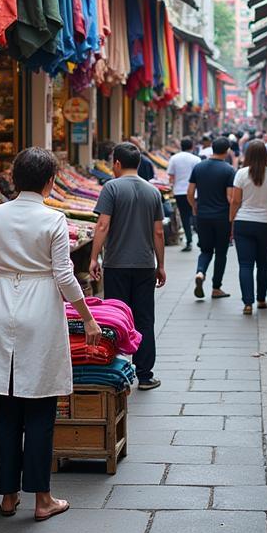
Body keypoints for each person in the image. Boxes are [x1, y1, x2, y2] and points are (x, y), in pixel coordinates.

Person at [0, 148, 103, 519]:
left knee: (6, 406)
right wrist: (88, 318)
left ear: (15, 178)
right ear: (50, 181)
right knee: (40, 406)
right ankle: (42, 499)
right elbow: (64, 275)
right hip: (41, 310)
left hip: (3, 307)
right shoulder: (53, 218)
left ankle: (7, 496)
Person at [90, 142, 166, 389]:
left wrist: (93, 258)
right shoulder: (153, 192)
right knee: (144, 319)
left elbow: (102, 225)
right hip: (145, 265)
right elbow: (158, 232)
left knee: (115, 318)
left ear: (118, 164)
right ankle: (145, 375)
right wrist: (160, 264)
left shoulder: (111, 188)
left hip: (116, 265)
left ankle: (116, 373)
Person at [229, 140, 267, 315]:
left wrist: (231, 220)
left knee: (245, 265)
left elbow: (236, 201)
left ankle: (247, 304)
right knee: (263, 264)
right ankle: (261, 299)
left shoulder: (241, 174)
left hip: (244, 222)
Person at [187, 136, 236, 301]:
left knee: (205, 250)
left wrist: (194, 206)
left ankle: (200, 272)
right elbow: (230, 197)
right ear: (227, 151)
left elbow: (190, 192)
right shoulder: (229, 170)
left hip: (203, 216)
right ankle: (216, 288)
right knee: (221, 252)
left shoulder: (199, 167)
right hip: (222, 217)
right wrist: (233, 216)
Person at [167, 137, 201, 251]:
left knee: (184, 216)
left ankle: (189, 241)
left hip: (179, 191)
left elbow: (171, 176)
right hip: (194, 192)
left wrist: (171, 187)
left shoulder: (174, 158)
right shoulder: (196, 159)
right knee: (195, 214)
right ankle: (201, 239)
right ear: (192, 146)